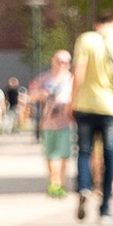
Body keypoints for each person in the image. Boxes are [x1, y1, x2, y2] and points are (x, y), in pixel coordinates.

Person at [68, 5, 113, 222]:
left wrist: (72, 101)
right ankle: (106, 206)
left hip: (85, 105)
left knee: (84, 151)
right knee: (110, 156)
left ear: (98, 25)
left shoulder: (86, 39)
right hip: (110, 108)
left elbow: (78, 72)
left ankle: (84, 187)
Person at [34, 50, 74, 200]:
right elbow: (32, 96)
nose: (61, 64)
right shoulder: (44, 79)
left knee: (64, 155)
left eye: (65, 61)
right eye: (59, 61)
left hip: (66, 122)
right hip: (48, 122)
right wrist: (41, 94)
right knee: (50, 155)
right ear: (53, 61)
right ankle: (53, 182)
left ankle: (61, 184)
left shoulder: (72, 80)